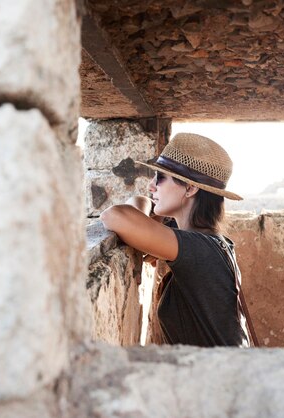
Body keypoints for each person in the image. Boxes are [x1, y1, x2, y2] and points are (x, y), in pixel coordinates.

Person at [100, 132, 253, 347]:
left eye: (160, 178)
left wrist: (150, 226)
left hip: (221, 377)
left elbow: (115, 216)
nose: (151, 186)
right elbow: (139, 200)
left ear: (190, 188)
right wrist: (153, 224)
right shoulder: (209, 240)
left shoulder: (200, 249)